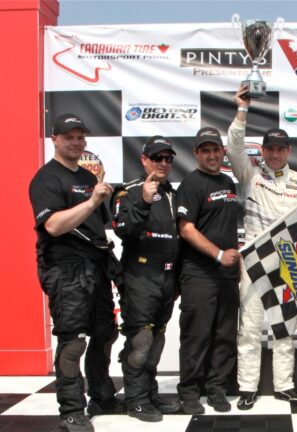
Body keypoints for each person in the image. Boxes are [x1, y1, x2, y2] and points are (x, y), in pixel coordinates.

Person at [29, 113, 124, 432]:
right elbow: (54, 226)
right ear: (54, 139)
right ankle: (71, 410)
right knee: (72, 341)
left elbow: (101, 223)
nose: (76, 142)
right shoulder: (46, 178)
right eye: (69, 137)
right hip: (65, 268)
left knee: (105, 332)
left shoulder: (87, 177)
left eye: (80, 137)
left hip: (96, 266)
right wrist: (92, 200)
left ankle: (102, 396)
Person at [227, 84, 297, 410]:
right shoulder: (250, 175)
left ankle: (284, 385)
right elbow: (234, 146)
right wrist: (242, 109)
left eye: (280, 149)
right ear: (262, 151)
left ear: (288, 151)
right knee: (249, 327)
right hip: (254, 261)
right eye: (270, 149)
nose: (275, 154)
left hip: (289, 260)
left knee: (284, 327)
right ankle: (247, 386)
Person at [111, 136, 181, 422]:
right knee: (140, 342)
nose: (163, 163)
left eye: (168, 158)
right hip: (139, 277)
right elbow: (122, 229)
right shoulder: (128, 191)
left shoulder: (172, 193)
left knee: (157, 341)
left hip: (167, 278)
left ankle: (149, 394)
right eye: (156, 158)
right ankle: (136, 400)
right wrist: (143, 200)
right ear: (144, 160)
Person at [176, 127, 243, 414]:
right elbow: (186, 229)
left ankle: (216, 389)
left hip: (227, 274)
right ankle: (189, 393)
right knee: (197, 334)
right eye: (206, 151)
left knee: (225, 335)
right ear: (196, 154)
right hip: (199, 274)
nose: (212, 155)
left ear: (223, 151)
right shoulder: (190, 184)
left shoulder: (229, 182)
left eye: (216, 150)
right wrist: (217, 254)